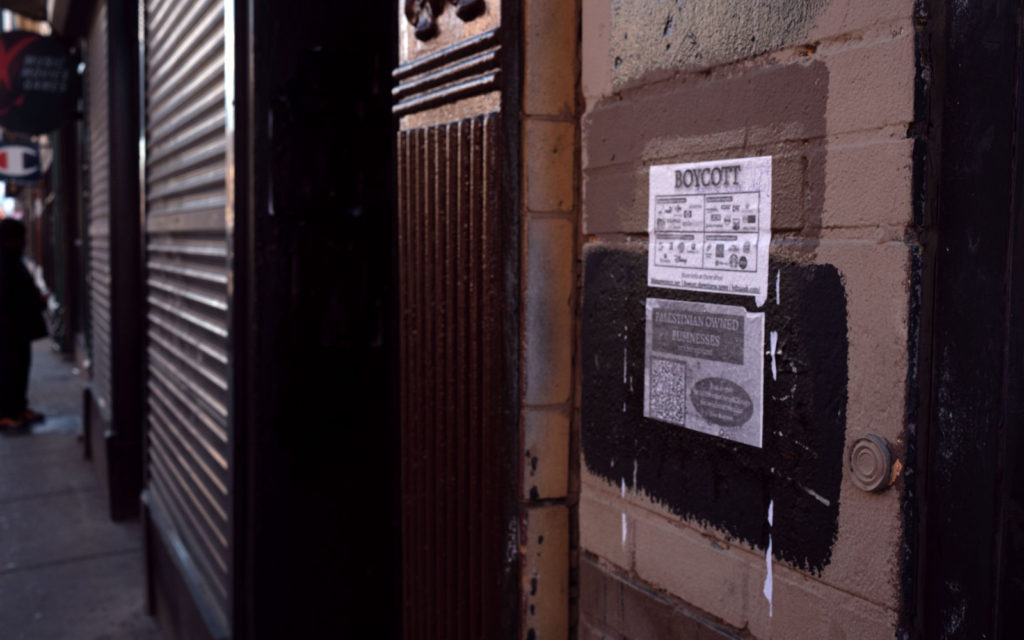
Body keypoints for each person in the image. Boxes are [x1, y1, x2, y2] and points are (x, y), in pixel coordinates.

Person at [0, 218, 47, 429]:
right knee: (9, 370)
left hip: (18, 329)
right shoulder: (5, 261)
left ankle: (18, 408)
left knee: (19, 368)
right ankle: (5, 414)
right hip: (8, 330)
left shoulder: (12, 259)